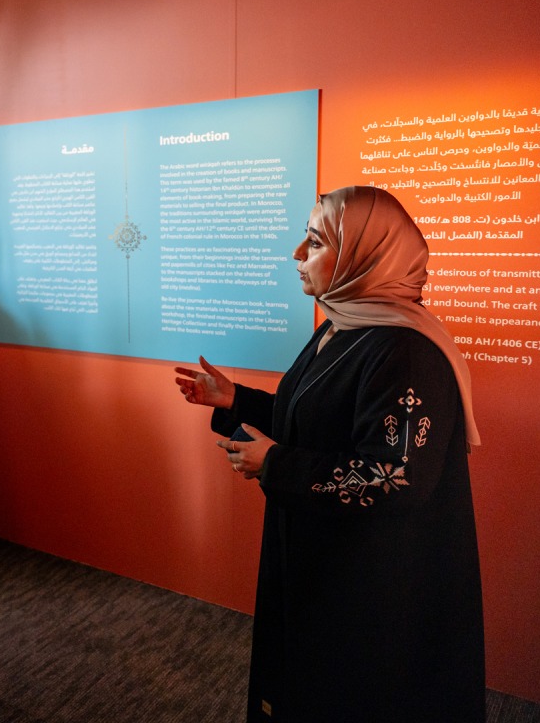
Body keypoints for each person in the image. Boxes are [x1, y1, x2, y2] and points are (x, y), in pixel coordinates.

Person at [174, 185, 485, 723]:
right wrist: (234, 399)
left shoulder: (404, 352)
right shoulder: (345, 328)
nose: (297, 254)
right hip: (326, 559)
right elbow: (315, 419)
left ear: (365, 256)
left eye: (315, 242)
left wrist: (275, 465)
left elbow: (394, 479)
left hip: (370, 586)